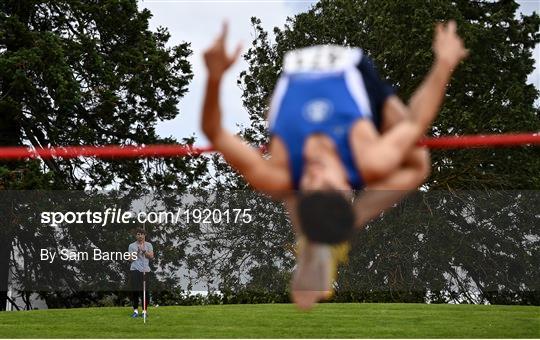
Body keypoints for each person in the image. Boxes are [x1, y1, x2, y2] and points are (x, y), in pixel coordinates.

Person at [201, 21, 468, 310]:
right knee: (418, 163)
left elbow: (214, 131)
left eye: (309, 185)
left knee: (284, 184)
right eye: (326, 182)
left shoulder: (279, 174)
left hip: (296, 78)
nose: (314, 174)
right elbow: (417, 121)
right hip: (354, 75)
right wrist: (444, 63)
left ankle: (319, 237)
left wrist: (214, 78)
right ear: (345, 187)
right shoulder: (368, 158)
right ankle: (342, 225)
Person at [128, 228, 154, 318]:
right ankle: (135, 311)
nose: (140, 236)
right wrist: (137, 252)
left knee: (145, 292)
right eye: (138, 234)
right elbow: (130, 259)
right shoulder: (131, 245)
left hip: (145, 270)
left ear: (144, 235)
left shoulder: (149, 245)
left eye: (142, 234)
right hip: (135, 270)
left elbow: (151, 257)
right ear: (136, 235)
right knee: (135, 291)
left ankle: (144, 311)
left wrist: (144, 251)